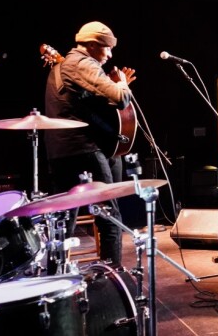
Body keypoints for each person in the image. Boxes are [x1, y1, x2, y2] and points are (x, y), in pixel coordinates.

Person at [44, 21, 135, 266]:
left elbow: (81, 104)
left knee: (63, 220)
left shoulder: (65, 66)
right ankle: (112, 278)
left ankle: (56, 275)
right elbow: (120, 97)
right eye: (107, 48)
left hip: (60, 150)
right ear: (93, 45)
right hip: (84, 149)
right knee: (109, 216)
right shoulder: (83, 63)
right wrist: (122, 83)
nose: (110, 54)